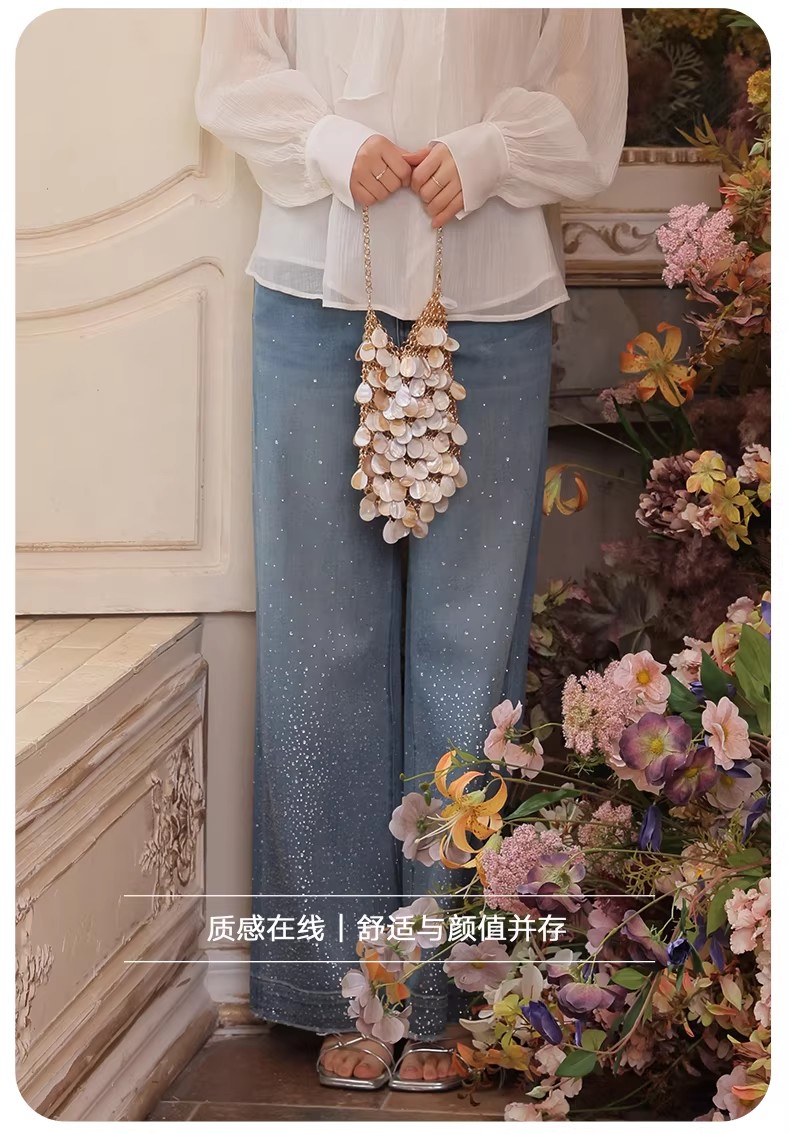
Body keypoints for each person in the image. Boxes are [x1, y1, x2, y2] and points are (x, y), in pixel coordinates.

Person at [195, 6, 628, 1091]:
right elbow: (232, 71)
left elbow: (586, 105)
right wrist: (330, 143)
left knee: (467, 654)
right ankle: (335, 988)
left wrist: (486, 154)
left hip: (491, 288)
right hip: (313, 285)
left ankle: (446, 996)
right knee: (320, 645)